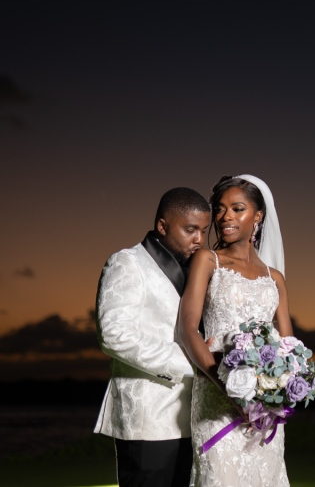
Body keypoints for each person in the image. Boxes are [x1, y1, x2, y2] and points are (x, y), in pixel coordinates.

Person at [178, 174, 292, 487]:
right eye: (220, 209)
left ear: (258, 216)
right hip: (216, 399)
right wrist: (231, 391)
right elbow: (187, 328)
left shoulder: (276, 278)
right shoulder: (207, 260)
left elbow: (289, 346)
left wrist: (275, 392)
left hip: (263, 411)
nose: (225, 216)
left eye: (237, 208)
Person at [94, 187, 212, 487]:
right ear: (162, 226)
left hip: (193, 417)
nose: (199, 239)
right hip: (146, 419)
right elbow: (114, 335)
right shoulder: (126, 262)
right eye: (190, 230)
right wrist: (193, 364)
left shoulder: (198, 270)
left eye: (203, 231)